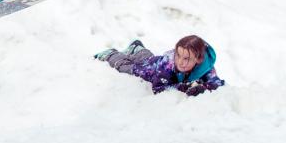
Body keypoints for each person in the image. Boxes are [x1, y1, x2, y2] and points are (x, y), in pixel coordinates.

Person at [93, 34, 225, 96]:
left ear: (198, 60)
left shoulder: (205, 68)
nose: (180, 62)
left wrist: (204, 88)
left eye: (187, 58)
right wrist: (183, 87)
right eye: (178, 55)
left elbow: (217, 83)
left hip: (154, 60)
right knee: (127, 67)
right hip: (152, 70)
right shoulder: (167, 64)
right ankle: (110, 54)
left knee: (148, 58)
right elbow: (158, 88)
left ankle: (137, 48)